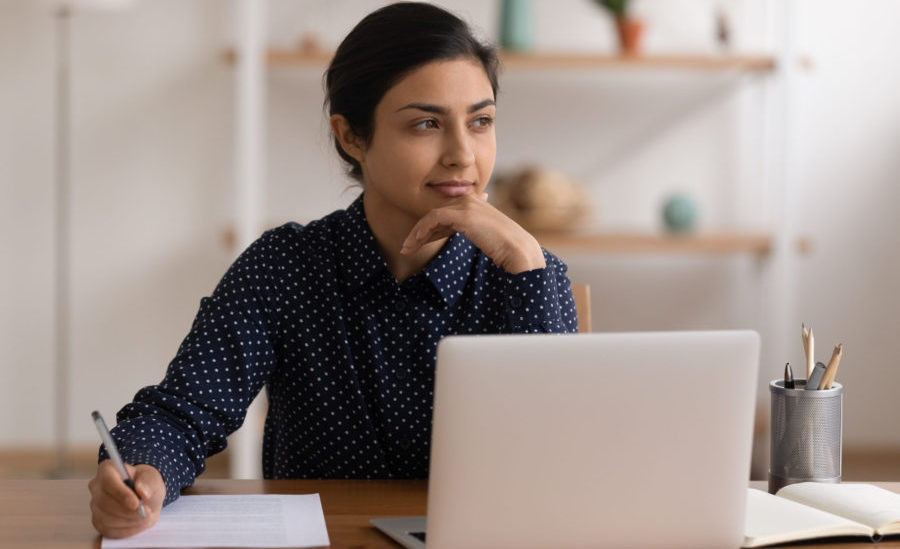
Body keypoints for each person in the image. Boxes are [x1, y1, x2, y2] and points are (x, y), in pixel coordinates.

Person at [88, 2, 578, 539]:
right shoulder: (284, 267)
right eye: (426, 123)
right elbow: (181, 412)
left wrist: (530, 264)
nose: (463, 153)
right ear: (351, 137)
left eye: (480, 121)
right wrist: (142, 472)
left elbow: (562, 464)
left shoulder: (525, 273)